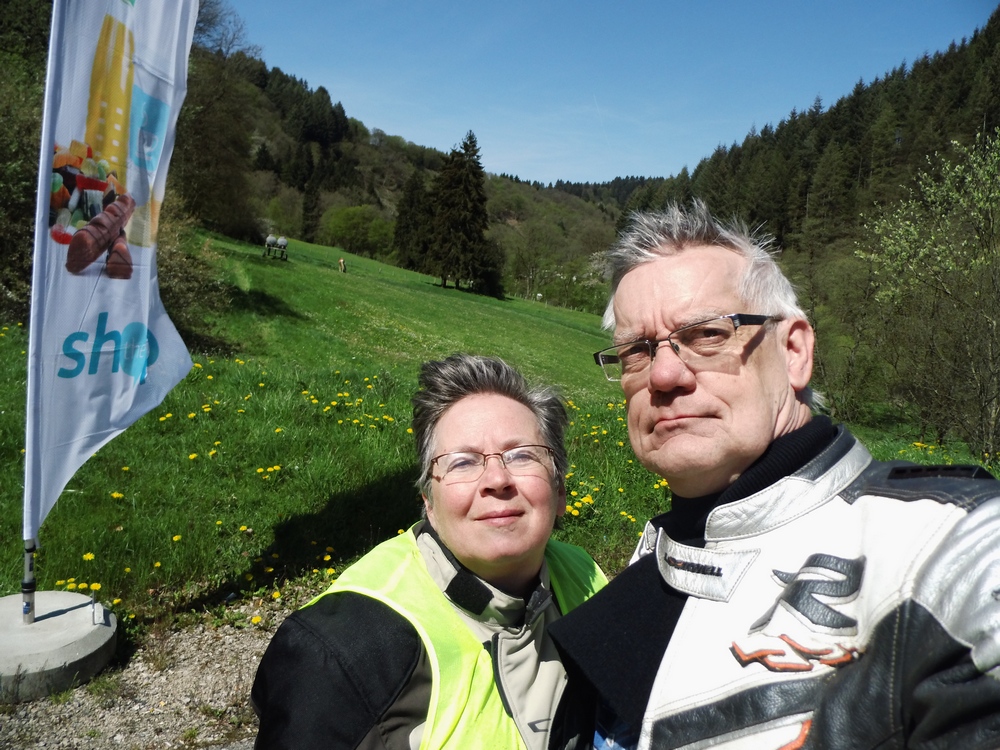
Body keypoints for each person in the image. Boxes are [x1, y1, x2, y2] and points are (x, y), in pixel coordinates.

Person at [548, 201, 1000, 749]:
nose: (663, 375)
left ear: (793, 352)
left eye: (707, 333)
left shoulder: (953, 548)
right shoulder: (654, 564)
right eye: (636, 350)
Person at [252, 353, 607, 749]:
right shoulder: (342, 652)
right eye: (462, 462)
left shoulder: (587, 578)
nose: (496, 479)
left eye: (522, 455)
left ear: (560, 491)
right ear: (429, 503)